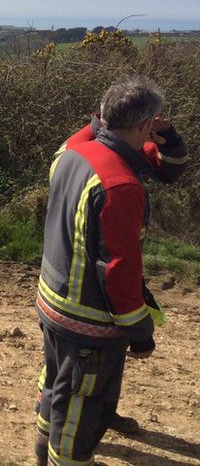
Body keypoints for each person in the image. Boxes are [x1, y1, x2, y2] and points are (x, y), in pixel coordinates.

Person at [34, 75, 189, 465]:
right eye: (151, 125)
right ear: (141, 126)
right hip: (87, 320)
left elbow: (169, 167)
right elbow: (118, 270)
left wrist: (165, 135)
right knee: (80, 412)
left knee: (57, 383)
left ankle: (42, 448)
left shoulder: (71, 151)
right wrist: (140, 333)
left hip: (53, 299)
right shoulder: (120, 184)